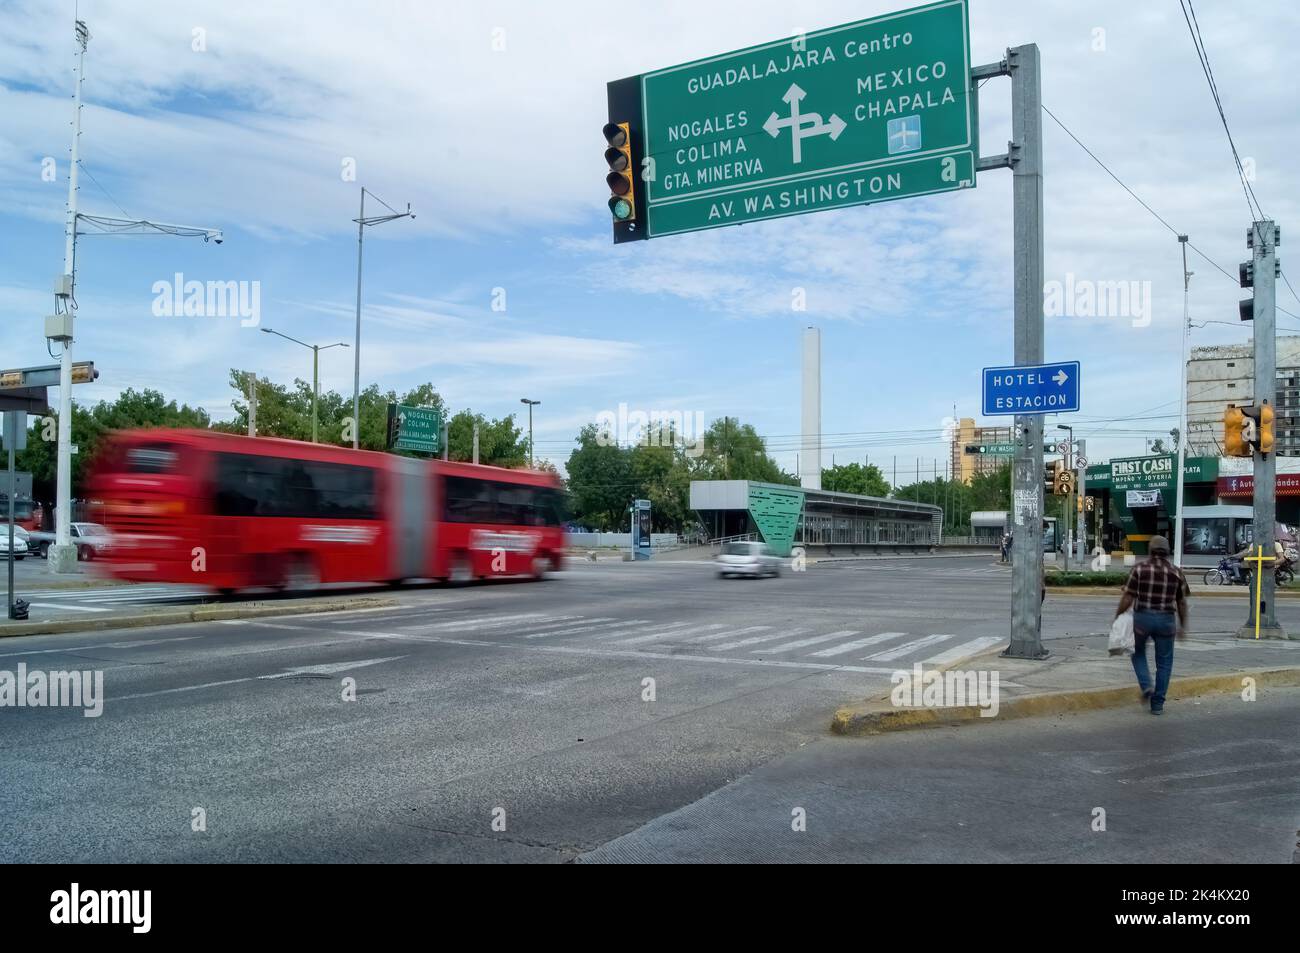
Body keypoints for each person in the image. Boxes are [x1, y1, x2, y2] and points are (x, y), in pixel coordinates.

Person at [1114, 536, 1188, 715]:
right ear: (1168, 551)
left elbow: (1128, 597)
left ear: (1150, 550)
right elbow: (1182, 603)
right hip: (1166, 621)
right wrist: (1182, 626)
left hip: (1142, 619)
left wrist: (1118, 615)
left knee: (1137, 653)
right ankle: (1158, 704)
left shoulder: (1139, 569)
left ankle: (1147, 685)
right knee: (1164, 662)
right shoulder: (1177, 572)